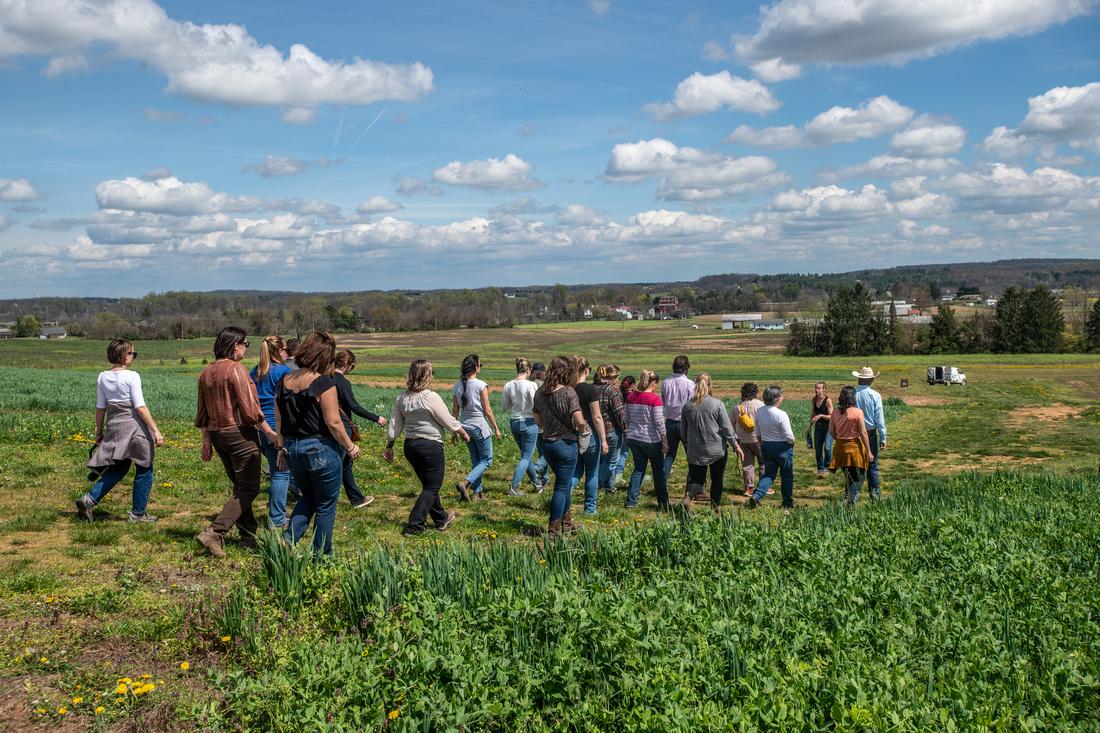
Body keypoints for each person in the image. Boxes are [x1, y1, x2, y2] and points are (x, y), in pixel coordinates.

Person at [195, 327, 279, 557]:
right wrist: (270, 433)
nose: (246, 348)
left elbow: (202, 412)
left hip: (217, 435)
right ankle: (214, 532)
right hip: (239, 434)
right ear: (235, 346)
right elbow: (251, 410)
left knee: (240, 486)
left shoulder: (205, 372)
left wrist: (205, 441)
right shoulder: (236, 370)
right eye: (245, 344)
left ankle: (248, 536)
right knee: (250, 487)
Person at [275, 331, 360, 556]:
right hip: (320, 449)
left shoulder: (284, 381)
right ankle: (321, 556)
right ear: (324, 357)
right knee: (325, 504)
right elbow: (333, 421)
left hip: (293, 448)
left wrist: (281, 448)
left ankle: (288, 540)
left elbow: (280, 419)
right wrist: (350, 446)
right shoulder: (323, 383)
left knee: (308, 497)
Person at [77, 339, 165, 523]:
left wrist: (99, 432)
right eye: (133, 353)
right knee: (144, 467)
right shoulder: (132, 376)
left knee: (119, 466)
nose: (134, 357)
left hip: (114, 425)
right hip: (134, 427)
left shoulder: (102, 377)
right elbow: (140, 407)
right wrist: (155, 430)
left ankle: (89, 499)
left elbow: (101, 407)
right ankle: (138, 514)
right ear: (124, 356)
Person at [384, 360, 470, 535]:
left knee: (428, 485)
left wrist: (390, 445)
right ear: (426, 376)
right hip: (430, 445)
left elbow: (395, 425)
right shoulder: (430, 397)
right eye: (432, 373)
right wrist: (462, 432)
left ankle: (441, 518)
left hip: (411, 446)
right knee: (432, 487)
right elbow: (446, 419)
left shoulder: (402, 398)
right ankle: (414, 525)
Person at [532, 356, 587, 538]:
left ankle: (567, 522)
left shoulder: (539, 393)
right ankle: (553, 528)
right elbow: (579, 421)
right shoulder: (569, 392)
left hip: (548, 444)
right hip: (566, 444)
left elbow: (538, 421)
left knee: (563, 483)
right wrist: (583, 428)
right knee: (562, 486)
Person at [680, 373, 743, 513]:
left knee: (696, 478)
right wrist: (735, 445)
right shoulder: (717, 404)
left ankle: (689, 497)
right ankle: (715, 506)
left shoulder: (687, 406)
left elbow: (683, 432)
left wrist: (687, 444)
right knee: (717, 478)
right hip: (716, 450)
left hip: (695, 449)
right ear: (709, 385)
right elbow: (727, 428)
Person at [249, 336, 293, 528]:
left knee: (275, 469)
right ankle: (277, 518)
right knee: (281, 473)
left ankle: (278, 513)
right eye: (284, 350)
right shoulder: (283, 372)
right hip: (277, 426)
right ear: (280, 351)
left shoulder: (255, 372)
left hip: (259, 426)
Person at [333, 349, 385, 509]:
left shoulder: (325, 378)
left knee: (345, 464)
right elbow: (353, 406)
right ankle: (323, 499)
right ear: (347, 364)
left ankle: (356, 498)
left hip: (331, 426)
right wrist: (376, 418)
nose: (351, 370)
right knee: (336, 465)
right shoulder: (341, 381)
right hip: (342, 426)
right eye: (352, 366)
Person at [452, 354, 501, 501]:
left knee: (476, 460)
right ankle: (466, 483)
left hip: (464, 426)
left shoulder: (457, 386)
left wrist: (455, 431)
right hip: (479, 426)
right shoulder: (481, 385)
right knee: (486, 460)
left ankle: (477, 494)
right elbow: (487, 411)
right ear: (476, 367)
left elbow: (455, 411)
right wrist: (496, 428)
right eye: (480, 364)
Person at [624, 370, 669, 510]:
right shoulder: (654, 399)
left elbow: (626, 418)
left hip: (633, 437)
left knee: (638, 469)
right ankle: (663, 501)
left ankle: (631, 501)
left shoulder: (631, 397)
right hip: (651, 440)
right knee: (658, 471)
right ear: (653, 383)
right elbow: (659, 422)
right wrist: (664, 439)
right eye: (656, 384)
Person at [747, 385, 795, 510]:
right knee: (787, 475)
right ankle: (787, 502)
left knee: (769, 474)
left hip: (766, 445)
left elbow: (757, 433)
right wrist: (791, 443)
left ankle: (757, 495)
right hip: (782, 447)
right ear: (777, 398)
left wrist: (762, 443)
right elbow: (789, 435)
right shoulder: (781, 414)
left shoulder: (760, 412)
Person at [570, 356, 607, 515]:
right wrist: (604, 439)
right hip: (589, 435)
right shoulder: (590, 390)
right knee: (592, 472)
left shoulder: (568, 389)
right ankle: (590, 509)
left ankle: (563, 496)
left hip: (573, 435)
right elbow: (597, 417)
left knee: (576, 471)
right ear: (587, 370)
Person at [501, 358, 543, 495]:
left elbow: (504, 407)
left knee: (526, 456)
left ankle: (537, 484)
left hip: (514, 422)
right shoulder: (531, 385)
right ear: (529, 370)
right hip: (529, 422)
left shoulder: (508, 385)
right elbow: (536, 404)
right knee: (526, 457)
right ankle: (514, 487)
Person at [828, 385, 873, 505]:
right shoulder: (857, 412)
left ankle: (847, 499)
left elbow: (831, 431)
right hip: (854, 448)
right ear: (853, 397)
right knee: (859, 477)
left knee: (848, 475)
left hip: (840, 448)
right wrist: (868, 450)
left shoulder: (835, 412)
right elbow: (863, 433)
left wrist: (839, 438)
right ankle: (850, 500)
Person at [853, 366, 887, 500]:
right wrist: (883, 437)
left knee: (856, 465)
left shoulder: (852, 394)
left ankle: (853, 495)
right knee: (872, 465)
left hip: (854, 434)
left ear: (859, 379)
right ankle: (875, 495)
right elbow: (879, 418)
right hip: (870, 432)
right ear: (871, 380)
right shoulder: (875, 395)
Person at [594, 364, 626, 494]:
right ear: (614, 377)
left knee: (602, 460)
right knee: (611, 462)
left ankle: (609, 487)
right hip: (611, 429)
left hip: (596, 429)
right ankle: (596, 485)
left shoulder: (594, 388)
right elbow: (619, 413)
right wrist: (625, 428)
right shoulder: (612, 390)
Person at [661, 355, 693, 478]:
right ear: (686, 368)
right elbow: (691, 405)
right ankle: (692, 487)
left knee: (669, 455)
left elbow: (663, 400)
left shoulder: (666, 382)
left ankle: (662, 484)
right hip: (685, 423)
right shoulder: (690, 384)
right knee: (691, 456)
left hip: (669, 422)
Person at [731, 383, 765, 497]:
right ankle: (763, 486)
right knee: (763, 462)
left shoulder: (737, 407)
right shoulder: (761, 406)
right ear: (756, 393)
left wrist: (735, 439)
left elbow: (731, 424)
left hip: (743, 440)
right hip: (758, 439)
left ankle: (749, 488)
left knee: (747, 464)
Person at [612, 375, 636, 488]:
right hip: (628, 426)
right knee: (624, 453)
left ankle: (612, 474)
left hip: (617, 426)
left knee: (617, 452)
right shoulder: (632, 396)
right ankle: (618, 475)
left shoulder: (618, 393)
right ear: (632, 385)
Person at [810, 381, 834, 478]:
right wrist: (810, 426)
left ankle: (827, 468)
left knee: (827, 448)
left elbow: (831, 416)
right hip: (818, 428)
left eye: (819, 388)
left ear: (824, 389)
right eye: (816, 388)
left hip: (828, 427)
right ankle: (820, 469)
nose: (817, 390)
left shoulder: (828, 400)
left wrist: (820, 415)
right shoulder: (814, 400)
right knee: (818, 449)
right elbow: (813, 413)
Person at [530, 362, 549, 484]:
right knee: (548, 451)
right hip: (546, 422)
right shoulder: (545, 386)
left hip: (533, 422)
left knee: (541, 451)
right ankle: (537, 468)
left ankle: (544, 477)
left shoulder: (530, 384)